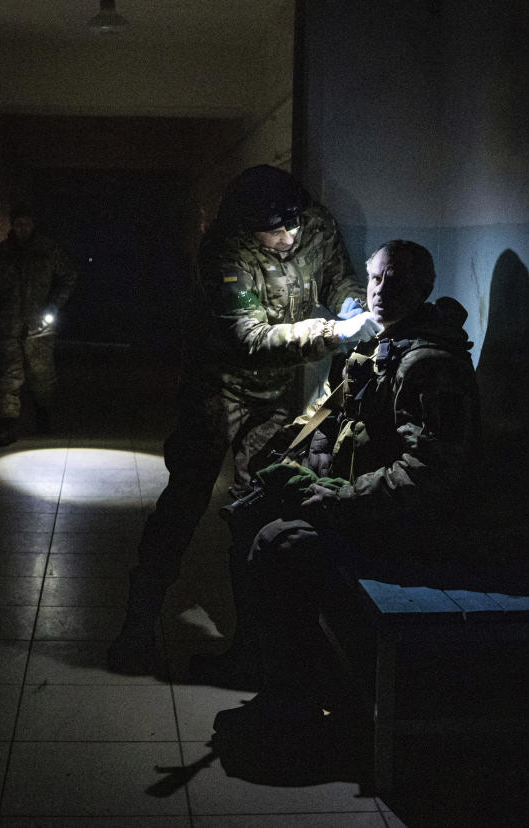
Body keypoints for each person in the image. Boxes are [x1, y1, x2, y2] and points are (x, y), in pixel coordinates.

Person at [107, 165, 380, 676]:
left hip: (270, 396)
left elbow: (338, 273)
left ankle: (254, 646)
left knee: (260, 506)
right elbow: (249, 338)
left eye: (290, 225)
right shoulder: (223, 251)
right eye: (272, 231)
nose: (286, 237)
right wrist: (334, 332)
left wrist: (351, 303)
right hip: (215, 389)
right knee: (184, 502)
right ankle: (136, 630)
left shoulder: (313, 224)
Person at [211, 239, 482, 733]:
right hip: (364, 504)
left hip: (408, 524)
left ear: (423, 289)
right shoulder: (379, 346)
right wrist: (290, 463)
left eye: (396, 281)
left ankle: (292, 703)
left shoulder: (428, 364)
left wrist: (338, 499)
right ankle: (256, 661)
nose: (381, 291)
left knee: (280, 545)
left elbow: (430, 472)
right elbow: (330, 417)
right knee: (249, 516)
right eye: (376, 278)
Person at [0, 201, 78, 447]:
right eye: (18, 225)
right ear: (12, 226)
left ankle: (43, 414)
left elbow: (69, 276)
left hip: (40, 325)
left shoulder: (48, 250)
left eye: (26, 224)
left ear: (33, 224)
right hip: (9, 324)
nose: (22, 229)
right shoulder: (1, 254)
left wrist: (52, 307)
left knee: (42, 374)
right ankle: (7, 425)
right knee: (9, 376)